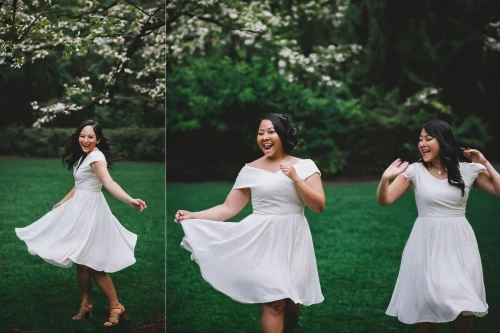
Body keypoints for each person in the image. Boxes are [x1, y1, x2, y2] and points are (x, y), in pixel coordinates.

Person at [174, 113, 325, 333]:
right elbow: (228, 208)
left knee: (293, 303)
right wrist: (193, 215)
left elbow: (318, 206)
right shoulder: (250, 169)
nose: (264, 137)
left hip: (294, 237)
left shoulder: (304, 166)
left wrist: (295, 178)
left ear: (283, 135)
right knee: (275, 303)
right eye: (260, 133)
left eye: (270, 131)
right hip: (262, 238)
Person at [15, 119, 147, 327]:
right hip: (80, 207)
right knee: (80, 257)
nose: (85, 140)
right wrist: (63, 202)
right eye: (82, 135)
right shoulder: (83, 157)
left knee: (91, 261)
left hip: (92, 210)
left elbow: (108, 183)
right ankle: (86, 303)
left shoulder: (95, 156)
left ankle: (116, 306)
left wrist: (130, 200)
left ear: (98, 139)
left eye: (90, 137)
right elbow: (80, 185)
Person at [376, 119, 500, 333]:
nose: (422, 143)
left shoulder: (467, 170)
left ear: (443, 141)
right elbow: (385, 199)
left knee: (466, 305)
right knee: (429, 308)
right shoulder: (414, 171)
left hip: (460, 242)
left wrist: (485, 162)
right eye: (420, 139)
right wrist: (385, 178)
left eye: (428, 138)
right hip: (427, 243)